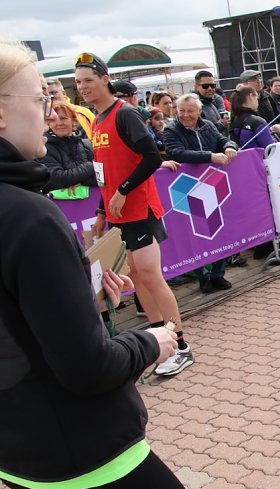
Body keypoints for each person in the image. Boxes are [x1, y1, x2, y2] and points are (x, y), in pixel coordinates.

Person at [0, 38, 219, 489]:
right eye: (40, 98)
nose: (53, 110)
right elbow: (86, 367)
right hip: (87, 448)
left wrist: (82, 291)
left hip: (21, 450)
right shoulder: (29, 216)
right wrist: (153, 339)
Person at [74, 52, 194, 377]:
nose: (82, 87)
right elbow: (104, 172)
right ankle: (160, 341)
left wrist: (124, 190)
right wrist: (102, 210)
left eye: (88, 80)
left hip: (140, 208)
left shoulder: (124, 114)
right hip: (119, 215)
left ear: (104, 79)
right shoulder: (97, 121)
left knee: (151, 275)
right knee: (137, 277)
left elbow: (151, 157)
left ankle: (181, 346)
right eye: (78, 82)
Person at [164, 93, 241, 292]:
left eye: (190, 111)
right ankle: (203, 277)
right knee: (195, 235)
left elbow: (224, 140)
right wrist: (210, 156)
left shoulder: (208, 125)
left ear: (199, 112)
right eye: (182, 111)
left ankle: (218, 274)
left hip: (212, 186)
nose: (186, 115)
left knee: (217, 231)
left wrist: (229, 147)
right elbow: (178, 153)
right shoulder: (171, 130)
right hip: (186, 187)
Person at [39, 99, 97, 196]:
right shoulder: (44, 149)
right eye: (53, 120)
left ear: (74, 121)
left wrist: (78, 181)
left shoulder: (87, 145)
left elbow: (103, 177)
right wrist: (92, 165)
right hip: (60, 207)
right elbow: (55, 180)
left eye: (63, 118)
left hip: (90, 205)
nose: (59, 123)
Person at [238, 70, 280, 140]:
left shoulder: (267, 96)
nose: (259, 81)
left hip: (275, 136)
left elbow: (277, 116)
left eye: (259, 78)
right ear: (246, 84)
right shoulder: (241, 102)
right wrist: (270, 129)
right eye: (254, 79)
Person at [229, 84, 277, 150]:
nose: (258, 102)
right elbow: (271, 148)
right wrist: (276, 135)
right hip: (258, 159)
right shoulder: (257, 122)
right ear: (251, 96)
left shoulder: (234, 119)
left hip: (242, 158)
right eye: (257, 98)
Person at [193, 70, 229, 135]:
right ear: (196, 87)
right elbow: (201, 132)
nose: (210, 88)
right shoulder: (193, 105)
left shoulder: (214, 100)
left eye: (212, 86)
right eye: (205, 86)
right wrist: (221, 125)